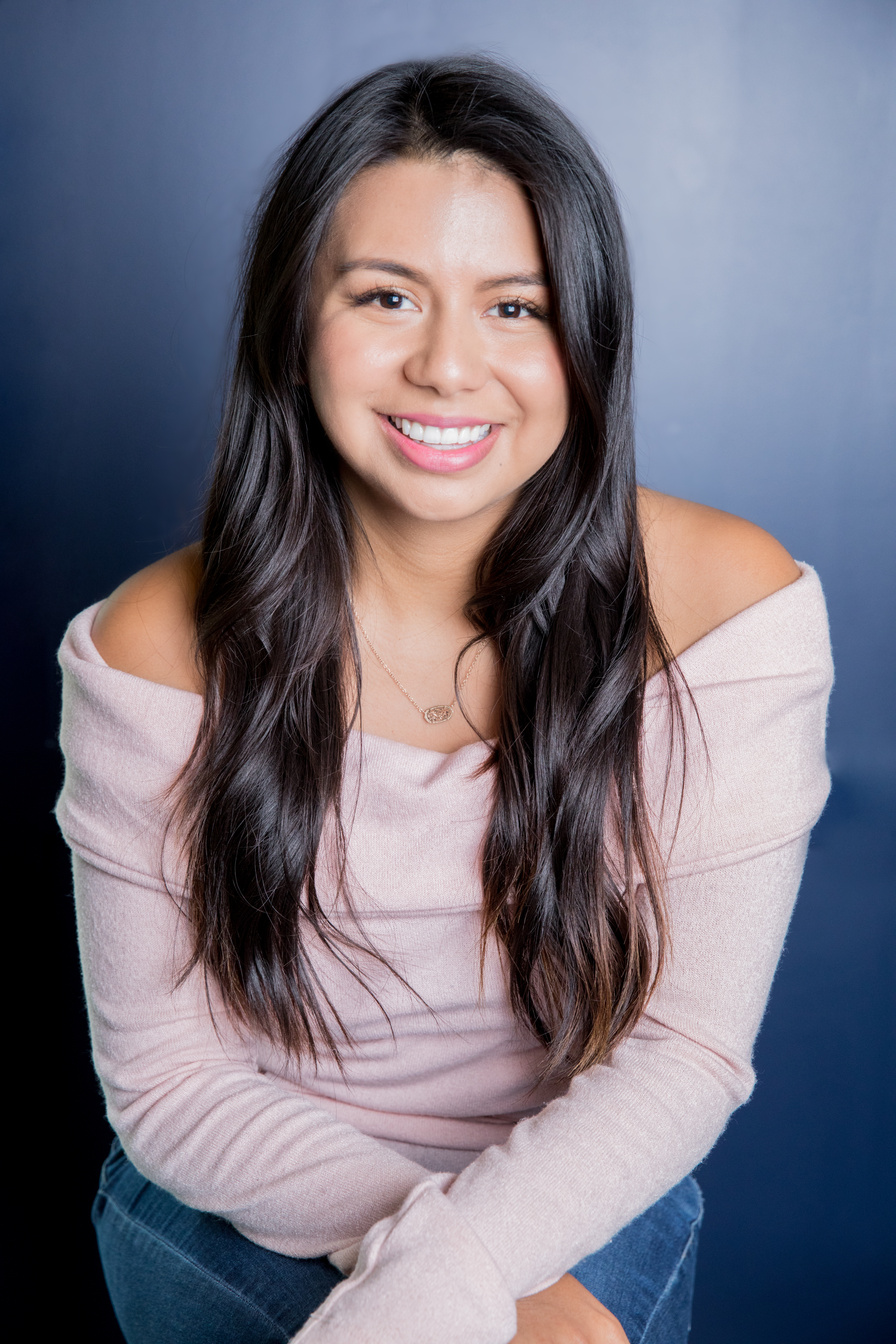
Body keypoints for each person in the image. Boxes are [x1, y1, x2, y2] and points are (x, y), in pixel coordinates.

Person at [55, 55, 833, 1344]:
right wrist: (467, 1290)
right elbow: (172, 1083)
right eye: (385, 295)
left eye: (514, 307)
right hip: (230, 1182)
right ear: (291, 325)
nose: (448, 365)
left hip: (588, 1174)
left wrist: (462, 1268)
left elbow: (684, 1053)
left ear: (585, 337)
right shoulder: (152, 642)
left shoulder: (725, 605)